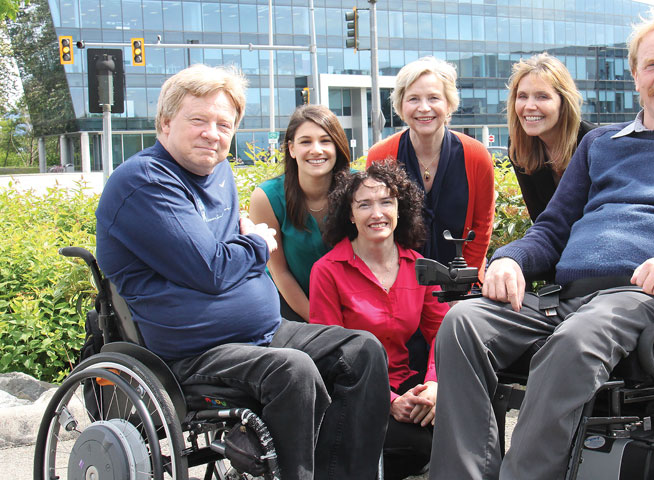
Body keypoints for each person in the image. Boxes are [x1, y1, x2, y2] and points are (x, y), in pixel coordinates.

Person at [430, 11, 654, 480]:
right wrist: (510, 259)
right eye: (651, 65)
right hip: (572, 297)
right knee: (465, 322)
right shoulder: (601, 144)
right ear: (634, 75)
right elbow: (553, 229)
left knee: (578, 335)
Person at [94, 64, 388, 480]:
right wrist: (256, 243)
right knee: (293, 370)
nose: (212, 134)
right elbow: (212, 269)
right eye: (198, 120)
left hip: (263, 332)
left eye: (223, 124)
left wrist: (240, 250)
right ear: (164, 122)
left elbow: (221, 259)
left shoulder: (218, 173)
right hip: (193, 351)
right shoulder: (145, 182)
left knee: (362, 351)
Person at [309, 162, 449, 480]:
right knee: (426, 444)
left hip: (410, 386)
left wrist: (435, 386)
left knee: (469, 427)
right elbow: (327, 353)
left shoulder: (420, 267)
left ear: (400, 208)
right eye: (364, 204)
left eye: (386, 202)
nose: (377, 213)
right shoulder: (327, 270)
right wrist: (388, 402)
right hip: (352, 395)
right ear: (350, 214)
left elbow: (442, 332)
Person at [367, 56, 494, 277]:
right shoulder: (380, 156)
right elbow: (377, 225)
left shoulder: (476, 156)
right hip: (400, 281)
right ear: (400, 105)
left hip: (463, 284)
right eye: (413, 99)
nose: (424, 108)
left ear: (449, 103)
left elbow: (482, 227)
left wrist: (462, 286)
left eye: (434, 98)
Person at [248, 104, 351, 322]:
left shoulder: (359, 188)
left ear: (338, 146)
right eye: (306, 142)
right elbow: (279, 272)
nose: (316, 150)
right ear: (292, 149)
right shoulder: (266, 197)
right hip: (290, 304)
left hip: (352, 303)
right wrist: (322, 323)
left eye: (325, 141)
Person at [506, 52, 596, 222]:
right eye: (523, 96)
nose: (529, 106)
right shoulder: (518, 146)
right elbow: (540, 219)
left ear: (563, 102)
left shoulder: (594, 143)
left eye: (542, 96)